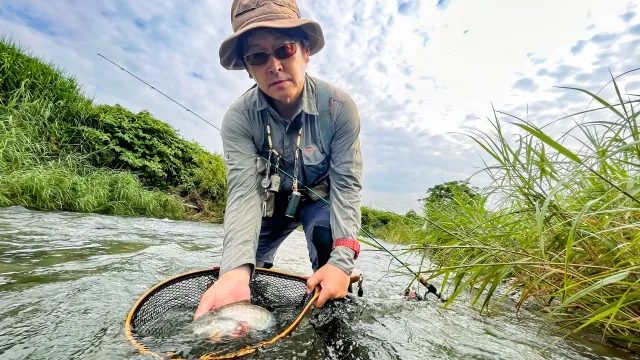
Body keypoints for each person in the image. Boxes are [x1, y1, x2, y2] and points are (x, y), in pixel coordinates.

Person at [194, 0, 363, 320]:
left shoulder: (339, 108)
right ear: (247, 67)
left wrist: (341, 263)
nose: (273, 65)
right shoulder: (238, 119)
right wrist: (233, 272)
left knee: (329, 247)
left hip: (319, 198)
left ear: (305, 51)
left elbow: (347, 188)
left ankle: (334, 318)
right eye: (258, 56)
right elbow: (244, 194)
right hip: (268, 202)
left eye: (284, 49)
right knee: (243, 271)